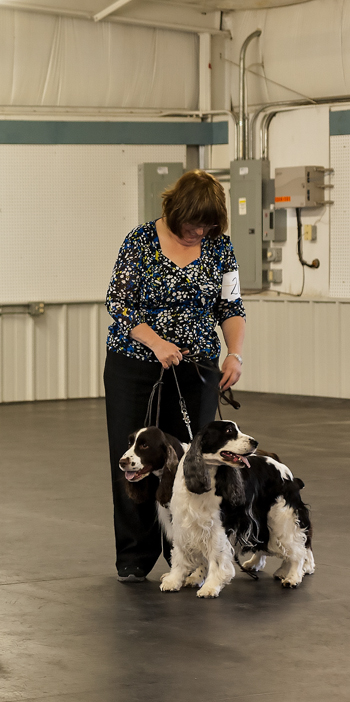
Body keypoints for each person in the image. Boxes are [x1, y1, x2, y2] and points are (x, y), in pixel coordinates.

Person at [104, 169, 246, 582]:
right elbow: (120, 305)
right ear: (173, 210)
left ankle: (185, 556)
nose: (198, 232)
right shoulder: (140, 241)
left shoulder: (219, 247)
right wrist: (157, 344)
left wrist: (234, 354)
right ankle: (134, 555)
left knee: (192, 463)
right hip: (135, 363)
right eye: (192, 225)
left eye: (207, 226)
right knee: (136, 462)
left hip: (197, 366)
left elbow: (231, 306)